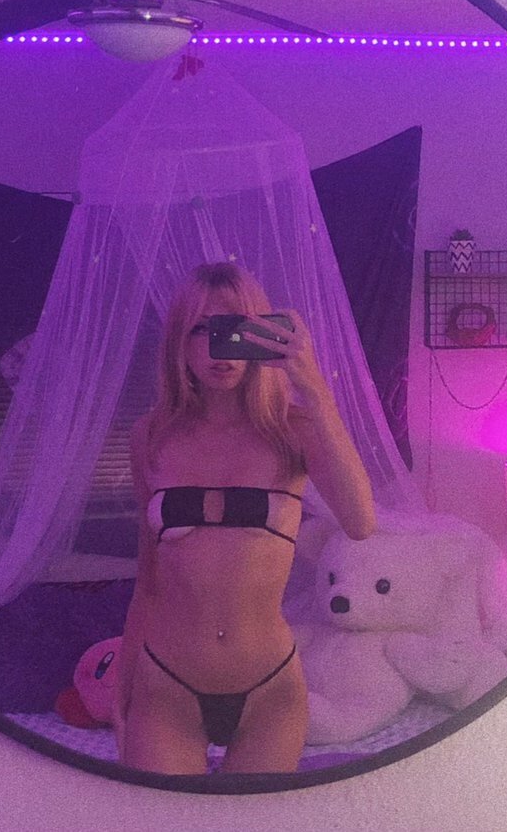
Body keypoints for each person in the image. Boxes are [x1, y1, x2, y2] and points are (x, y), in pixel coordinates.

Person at [113, 262, 377, 775]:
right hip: (165, 684)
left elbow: (360, 521)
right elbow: (148, 580)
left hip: (268, 689)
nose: (221, 349)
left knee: (253, 817)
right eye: (202, 329)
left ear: (262, 334)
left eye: (236, 328)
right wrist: (121, 694)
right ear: (178, 342)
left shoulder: (294, 430)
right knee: (166, 816)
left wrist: (313, 386)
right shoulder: (151, 436)